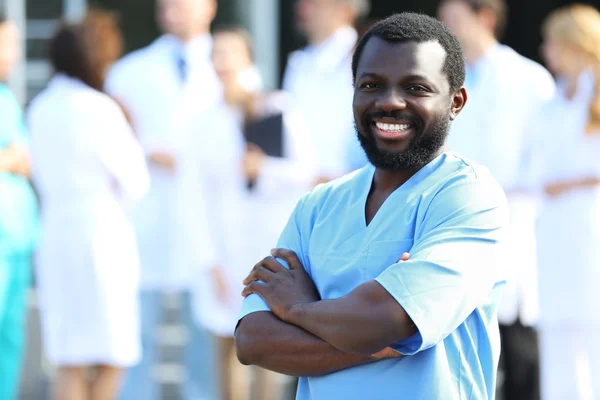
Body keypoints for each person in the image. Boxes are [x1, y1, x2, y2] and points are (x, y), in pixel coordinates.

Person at [235, 12, 509, 399]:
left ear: (456, 101)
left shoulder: (467, 197)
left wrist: (297, 308)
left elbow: (382, 320)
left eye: (416, 87)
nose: (390, 102)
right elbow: (253, 340)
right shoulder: (318, 205)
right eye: (370, 85)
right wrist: (379, 333)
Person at [27, 10, 149, 400]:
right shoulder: (99, 109)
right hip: (101, 236)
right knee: (115, 352)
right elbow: (137, 182)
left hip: (55, 235)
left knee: (69, 357)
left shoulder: (40, 108)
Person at [437, 1, 556, 398]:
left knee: (516, 338)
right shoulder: (443, 78)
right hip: (455, 221)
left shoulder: (527, 78)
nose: (446, 28)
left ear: (485, 17)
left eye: (455, 19)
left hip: (515, 221)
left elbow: (545, 159)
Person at [104, 1, 222, 398]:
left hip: (206, 220)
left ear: (210, 7)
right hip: (146, 216)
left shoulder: (230, 66)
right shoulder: (130, 70)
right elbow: (108, 135)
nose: (174, 10)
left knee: (205, 334)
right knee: (137, 332)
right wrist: (147, 149)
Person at [192, 26, 316, 400]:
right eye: (217, 53)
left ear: (247, 58)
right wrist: (208, 259)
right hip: (223, 251)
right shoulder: (204, 121)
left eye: (231, 53)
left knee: (269, 347)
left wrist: (262, 168)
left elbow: (306, 171)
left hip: (268, 247)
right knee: (226, 348)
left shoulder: (277, 107)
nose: (223, 62)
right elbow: (194, 195)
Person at [532, 5, 600, 399]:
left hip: (591, 221)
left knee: (593, 324)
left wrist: (573, 182)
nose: (547, 52)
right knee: (557, 325)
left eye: (554, 44)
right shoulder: (553, 102)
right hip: (556, 226)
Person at [283, 0, 371, 183]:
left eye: (315, 3)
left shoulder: (369, 58)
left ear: (346, 10)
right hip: (298, 192)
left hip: (350, 191)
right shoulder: (298, 62)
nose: (303, 9)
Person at [0, 13, 39, 400]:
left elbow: (26, 159)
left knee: (10, 341)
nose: (12, 54)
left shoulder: (7, 96)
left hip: (16, 238)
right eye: (5, 43)